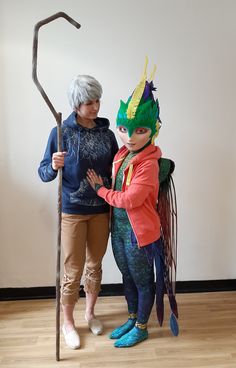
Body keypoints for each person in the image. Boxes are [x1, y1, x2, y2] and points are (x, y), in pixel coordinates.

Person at [87, 60, 179, 348]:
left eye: (139, 130)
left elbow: (129, 199)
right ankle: (131, 317)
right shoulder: (121, 156)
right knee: (127, 276)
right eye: (124, 129)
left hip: (140, 234)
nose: (128, 137)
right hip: (121, 230)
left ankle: (142, 326)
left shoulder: (149, 163)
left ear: (152, 130)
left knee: (141, 280)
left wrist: (101, 191)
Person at [38, 75, 119, 349]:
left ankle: (90, 313)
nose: (95, 107)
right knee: (73, 270)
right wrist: (54, 164)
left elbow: (116, 172)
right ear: (76, 104)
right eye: (88, 102)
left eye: (97, 101)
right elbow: (43, 173)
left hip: (100, 209)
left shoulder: (107, 135)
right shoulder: (61, 132)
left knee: (95, 265)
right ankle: (68, 322)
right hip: (72, 210)